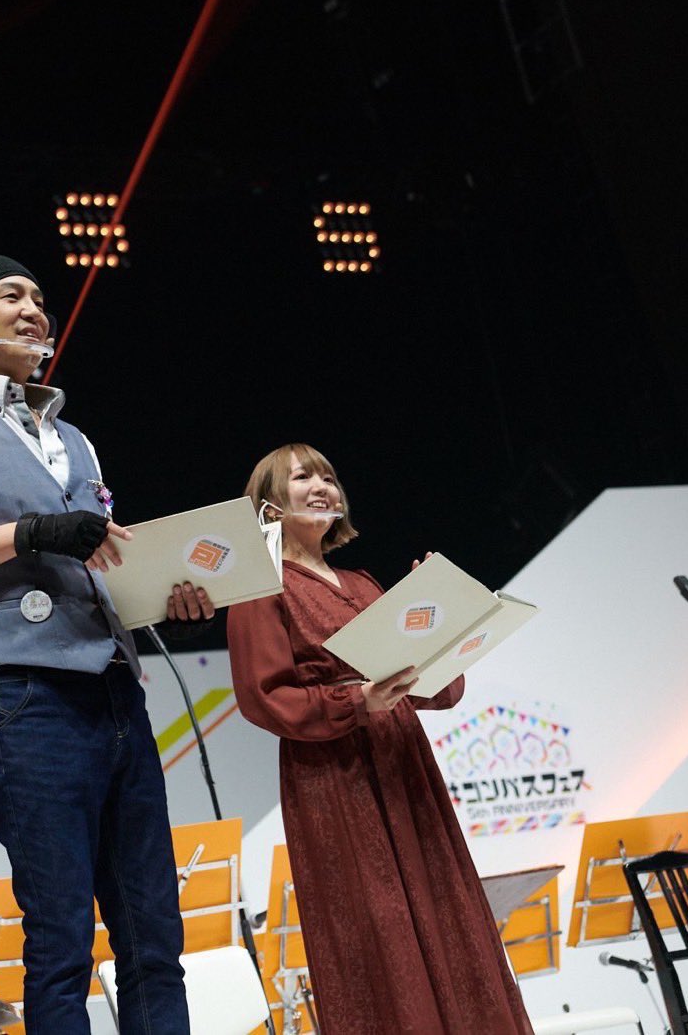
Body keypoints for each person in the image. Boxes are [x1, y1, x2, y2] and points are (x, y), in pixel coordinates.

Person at [0, 255, 203, 1032]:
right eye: (11, 295)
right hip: (23, 693)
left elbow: (100, 564)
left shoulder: (76, 440)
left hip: (114, 687)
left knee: (155, 937)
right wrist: (25, 532)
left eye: (41, 299)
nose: (35, 309)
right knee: (62, 937)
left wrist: (168, 598)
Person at [226, 443, 532, 1034]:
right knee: (377, 923)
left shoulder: (362, 583)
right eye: (303, 477)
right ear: (269, 503)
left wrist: (439, 621)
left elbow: (434, 688)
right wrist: (355, 702)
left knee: (446, 907)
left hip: (402, 765)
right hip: (335, 777)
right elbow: (265, 699)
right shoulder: (260, 589)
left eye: (328, 477)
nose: (322, 486)